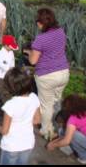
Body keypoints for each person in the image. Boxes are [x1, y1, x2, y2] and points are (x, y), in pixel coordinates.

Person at [24, 8, 70, 140]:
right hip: (63, 73)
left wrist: (29, 53)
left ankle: (46, 131)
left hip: (47, 76)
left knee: (46, 105)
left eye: (37, 21)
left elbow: (33, 61)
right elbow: (55, 50)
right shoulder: (61, 32)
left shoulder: (40, 39)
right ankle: (56, 126)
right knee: (56, 101)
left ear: (42, 23)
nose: (36, 24)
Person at [0, 67, 41, 165]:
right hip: (28, 143)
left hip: (11, 146)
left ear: (11, 87)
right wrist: (25, 120)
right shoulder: (34, 97)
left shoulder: (10, 105)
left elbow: (5, 131)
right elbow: (37, 120)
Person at [46, 95, 86, 164]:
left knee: (72, 135)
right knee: (63, 131)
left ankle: (84, 157)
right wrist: (54, 142)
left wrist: (53, 145)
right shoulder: (83, 112)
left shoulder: (72, 119)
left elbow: (67, 140)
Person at [0, 35, 18, 105]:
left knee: (7, 91)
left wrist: (13, 69)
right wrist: (9, 68)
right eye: (11, 46)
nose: (12, 48)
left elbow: (12, 62)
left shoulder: (11, 52)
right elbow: (2, 65)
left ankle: (7, 104)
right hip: (0, 77)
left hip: (9, 75)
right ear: (6, 45)